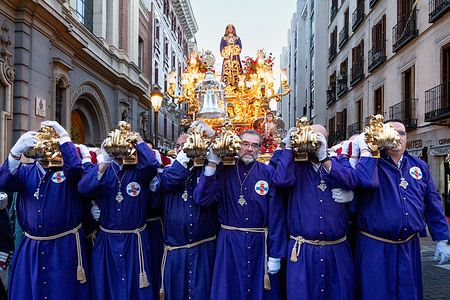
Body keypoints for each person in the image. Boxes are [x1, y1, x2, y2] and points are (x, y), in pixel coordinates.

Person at [353, 120, 450, 299]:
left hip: (409, 247)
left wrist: (442, 239)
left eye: (402, 133)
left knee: (408, 294)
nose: (398, 137)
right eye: (393, 132)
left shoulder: (419, 166)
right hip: (375, 246)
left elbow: (433, 203)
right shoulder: (370, 162)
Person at [194, 126, 287, 300]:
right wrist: (212, 164)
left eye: (255, 145)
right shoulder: (223, 170)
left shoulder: (267, 173)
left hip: (260, 244)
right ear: (238, 146)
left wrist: (275, 254)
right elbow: (202, 199)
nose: (250, 149)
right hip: (229, 245)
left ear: (260, 149)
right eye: (245, 144)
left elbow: (277, 217)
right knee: (230, 290)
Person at [0, 120, 90, 300]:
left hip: (64, 248)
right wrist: (14, 153)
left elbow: (76, 170)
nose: (44, 149)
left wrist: (65, 138)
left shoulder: (67, 173)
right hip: (31, 248)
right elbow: (4, 182)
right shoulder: (25, 172)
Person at [273, 125, 358, 299]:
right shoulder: (295, 166)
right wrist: (288, 146)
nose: (315, 142)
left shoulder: (338, 161)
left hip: (336, 249)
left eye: (321, 138)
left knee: (339, 294)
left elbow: (352, 180)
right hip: (302, 250)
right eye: (312, 137)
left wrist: (325, 158)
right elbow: (281, 180)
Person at [78, 133, 159, 300]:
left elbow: (151, 165)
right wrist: (104, 162)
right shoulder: (102, 170)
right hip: (107, 241)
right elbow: (84, 189)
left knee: (137, 289)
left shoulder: (140, 171)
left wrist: (139, 142)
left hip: (135, 242)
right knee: (107, 287)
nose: (120, 154)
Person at [155, 132, 218, 299]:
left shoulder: (208, 172)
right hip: (176, 251)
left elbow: (205, 198)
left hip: (203, 250)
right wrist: (183, 158)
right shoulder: (169, 171)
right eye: (179, 146)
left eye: (188, 144)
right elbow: (169, 183)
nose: (183, 148)